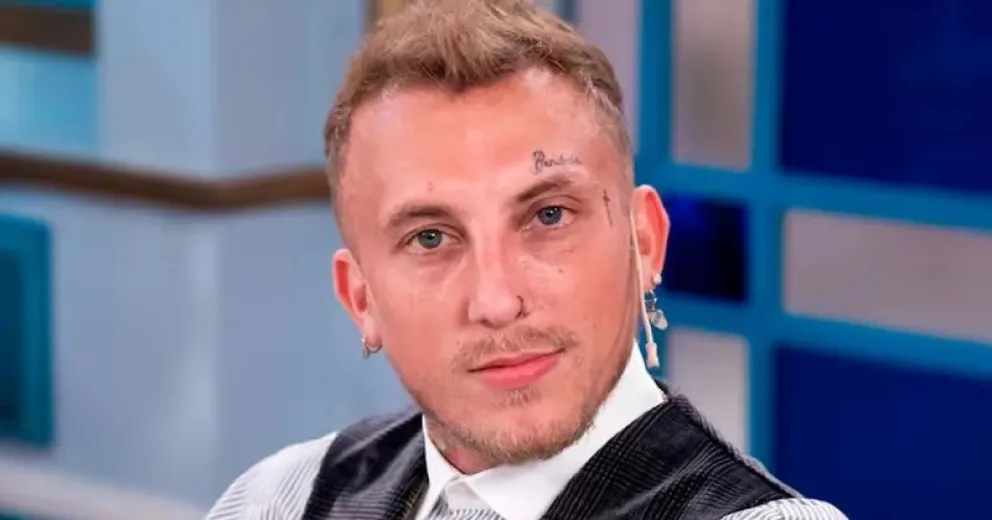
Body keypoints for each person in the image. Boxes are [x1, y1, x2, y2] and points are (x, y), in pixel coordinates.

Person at [206, 0, 846, 518]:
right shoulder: (281, 499)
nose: (497, 300)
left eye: (549, 216)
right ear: (361, 298)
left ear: (645, 242)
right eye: (430, 238)